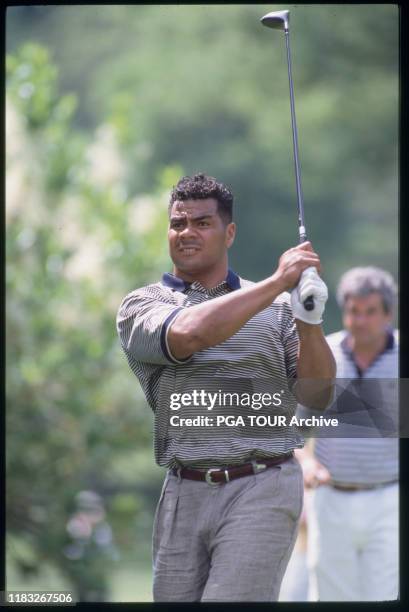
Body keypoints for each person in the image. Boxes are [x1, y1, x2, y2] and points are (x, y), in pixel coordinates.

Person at [116, 173, 335, 602]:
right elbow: (188, 335)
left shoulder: (276, 311)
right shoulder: (142, 305)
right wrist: (278, 281)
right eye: (179, 223)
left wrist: (310, 319)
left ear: (229, 232)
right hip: (183, 488)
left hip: (262, 483)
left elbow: (318, 395)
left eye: (202, 222)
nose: (187, 233)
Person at [296, 266, 399, 602]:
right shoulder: (324, 356)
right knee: (330, 596)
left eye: (370, 312)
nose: (360, 320)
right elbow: (292, 433)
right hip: (330, 498)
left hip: (390, 499)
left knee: (384, 595)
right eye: (354, 311)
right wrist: (307, 465)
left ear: (388, 313)